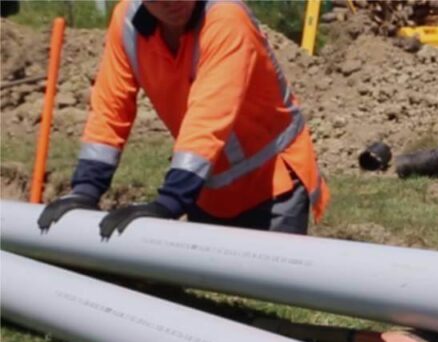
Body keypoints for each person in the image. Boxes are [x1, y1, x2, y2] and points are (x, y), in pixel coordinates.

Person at [37, 0, 330, 238]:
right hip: (207, 188)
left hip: (273, 185)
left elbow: (208, 116)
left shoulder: (226, 18)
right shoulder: (127, 24)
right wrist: (86, 189)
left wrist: (169, 203)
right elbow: (111, 108)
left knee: (266, 301)